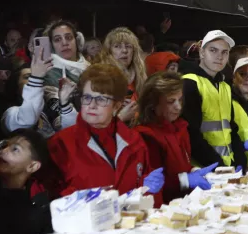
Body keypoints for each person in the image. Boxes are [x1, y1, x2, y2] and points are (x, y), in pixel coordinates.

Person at [48, 64, 164, 198]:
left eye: (101, 99)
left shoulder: (134, 141)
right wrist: (78, 199)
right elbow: (51, 200)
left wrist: (146, 189)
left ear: (117, 106)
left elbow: (147, 194)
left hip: (130, 217)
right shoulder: (61, 143)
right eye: (87, 97)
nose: (92, 105)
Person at [135, 72, 217, 204]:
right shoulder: (146, 136)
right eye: (170, 101)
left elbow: (179, 166)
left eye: (180, 100)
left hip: (185, 203)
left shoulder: (180, 127)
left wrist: (194, 171)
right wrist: (186, 180)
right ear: (153, 105)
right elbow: (155, 183)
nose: (178, 107)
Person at [181, 30, 247, 169]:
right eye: (213, 50)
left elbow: (231, 128)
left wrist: (240, 161)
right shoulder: (189, 84)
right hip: (203, 168)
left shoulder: (224, 86)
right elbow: (191, 134)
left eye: (224, 52)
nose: (219, 57)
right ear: (202, 53)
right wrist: (218, 165)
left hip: (227, 166)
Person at [0, 129, 54, 234]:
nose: (4, 151)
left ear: (32, 166)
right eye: (5, 146)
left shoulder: (40, 205)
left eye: (15, 149)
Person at [2, 49, 77, 137]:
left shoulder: (46, 111)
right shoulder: (10, 114)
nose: (34, 80)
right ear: (16, 86)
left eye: (36, 78)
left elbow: (71, 130)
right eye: (28, 77)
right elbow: (27, 119)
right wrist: (36, 77)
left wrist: (64, 103)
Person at [43, 20, 90, 130]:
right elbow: (59, 121)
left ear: (77, 41)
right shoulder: (50, 73)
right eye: (57, 39)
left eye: (68, 37)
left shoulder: (92, 67)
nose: (64, 43)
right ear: (52, 46)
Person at [98, 27, 146, 124]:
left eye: (128, 46)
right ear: (109, 51)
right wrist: (120, 116)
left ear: (134, 51)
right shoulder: (100, 78)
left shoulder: (141, 77)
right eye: (117, 46)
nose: (124, 50)